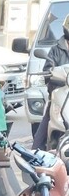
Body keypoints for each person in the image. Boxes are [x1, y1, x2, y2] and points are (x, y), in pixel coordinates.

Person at [33, 15, 69, 150]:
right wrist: (53, 75)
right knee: (42, 132)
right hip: (60, 97)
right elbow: (48, 70)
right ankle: (35, 159)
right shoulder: (56, 49)